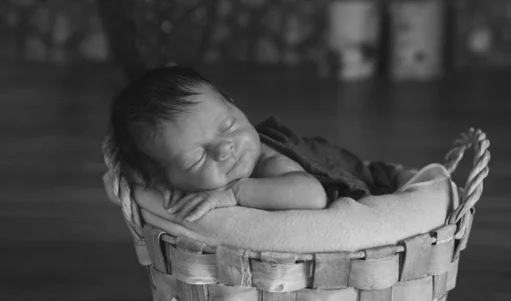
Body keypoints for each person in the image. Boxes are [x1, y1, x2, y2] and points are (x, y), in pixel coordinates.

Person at [109, 66, 399, 222]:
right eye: (195, 160)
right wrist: (160, 186)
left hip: (366, 183)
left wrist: (235, 193)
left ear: (234, 105)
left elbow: (313, 196)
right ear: (164, 176)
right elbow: (136, 178)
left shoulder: (266, 159)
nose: (224, 148)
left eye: (229, 126)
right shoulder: (165, 178)